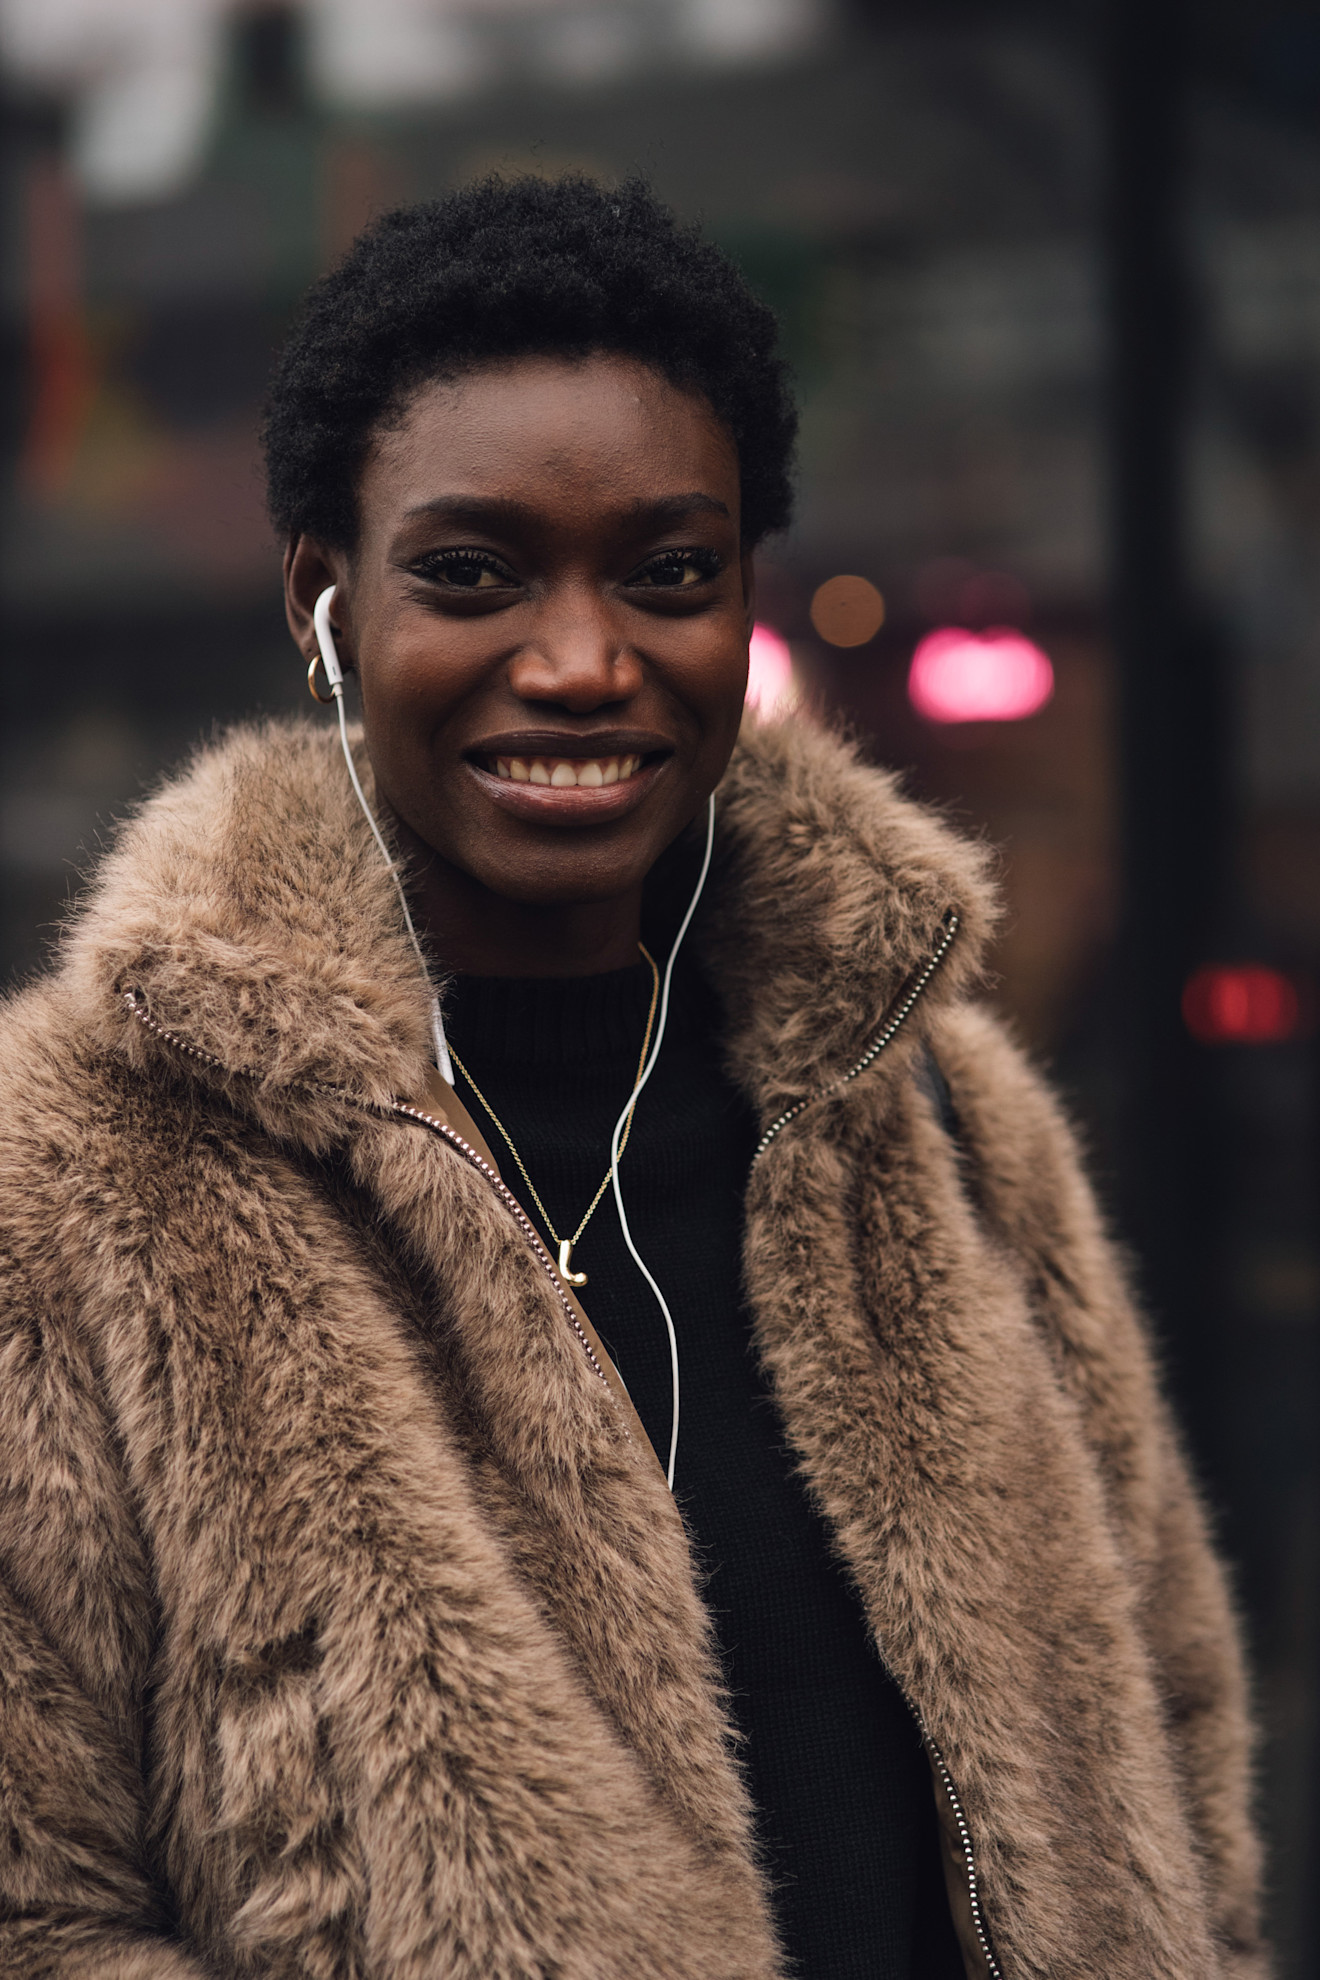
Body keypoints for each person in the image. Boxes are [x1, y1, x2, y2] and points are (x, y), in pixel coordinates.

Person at [0, 175, 1265, 1980]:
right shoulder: (67, 1174)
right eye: (471, 573)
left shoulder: (948, 1123)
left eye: (669, 573)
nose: (584, 661)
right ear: (325, 602)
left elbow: (1176, 1732)